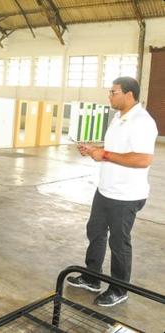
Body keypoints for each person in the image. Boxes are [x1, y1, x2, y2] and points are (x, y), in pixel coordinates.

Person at [67, 77, 158, 307]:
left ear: (129, 95)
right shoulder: (117, 118)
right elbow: (114, 152)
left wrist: (104, 155)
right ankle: (92, 277)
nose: (109, 95)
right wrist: (94, 151)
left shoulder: (142, 121)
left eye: (113, 92)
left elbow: (143, 159)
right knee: (96, 232)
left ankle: (119, 289)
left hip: (126, 196)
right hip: (106, 190)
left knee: (119, 243)